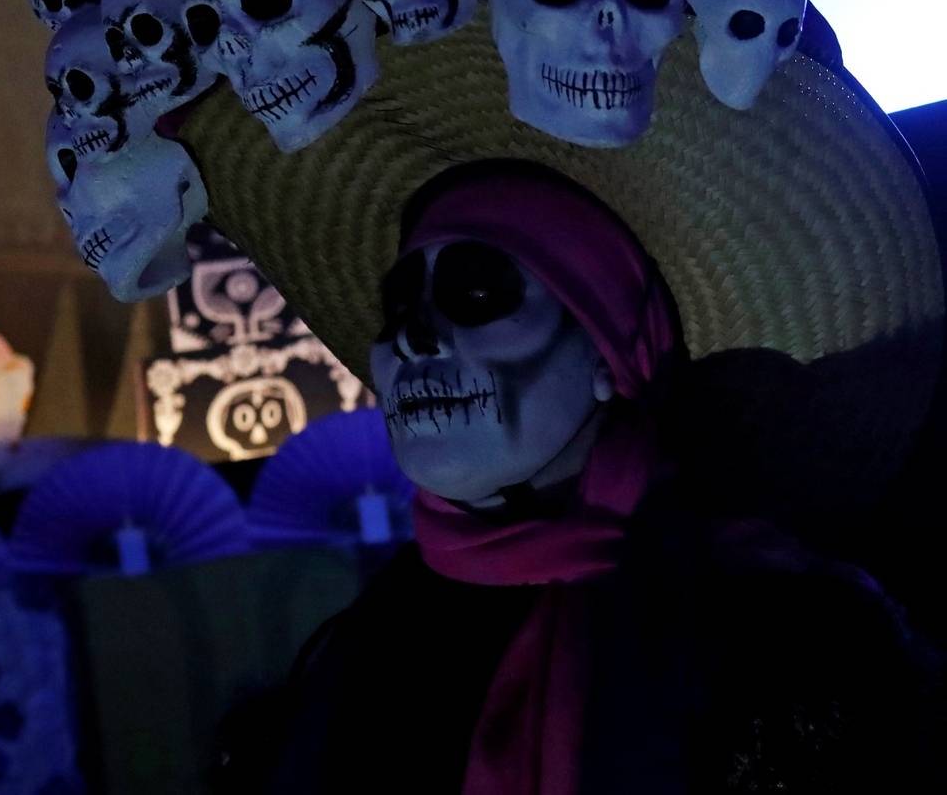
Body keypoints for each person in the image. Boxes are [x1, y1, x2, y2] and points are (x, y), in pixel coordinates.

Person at [226, 159, 937, 792]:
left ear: (608, 352)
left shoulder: (789, 642)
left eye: (479, 291)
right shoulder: (359, 652)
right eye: (400, 305)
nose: (411, 337)